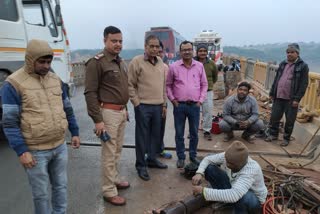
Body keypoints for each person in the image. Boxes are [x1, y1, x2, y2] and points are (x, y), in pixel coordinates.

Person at [1, 39, 80, 214]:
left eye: (49, 61)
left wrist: (74, 132)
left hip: (60, 146)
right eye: (41, 62)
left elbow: (67, 108)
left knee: (61, 187)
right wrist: (22, 151)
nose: (46, 66)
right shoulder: (13, 84)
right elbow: (9, 122)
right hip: (35, 151)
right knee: (41, 194)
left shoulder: (55, 79)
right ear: (30, 60)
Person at [84, 26, 129, 206]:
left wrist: (125, 110)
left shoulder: (119, 62)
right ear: (105, 41)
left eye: (120, 41)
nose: (118, 44)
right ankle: (109, 190)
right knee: (109, 153)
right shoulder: (97, 62)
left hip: (120, 111)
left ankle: (115, 179)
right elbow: (90, 93)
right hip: (108, 114)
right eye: (114, 41)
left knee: (117, 150)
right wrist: (98, 121)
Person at [128, 35, 168, 181]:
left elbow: (163, 85)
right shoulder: (136, 62)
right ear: (145, 47)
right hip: (143, 106)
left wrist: (164, 104)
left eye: (157, 47)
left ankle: (152, 159)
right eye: (151, 46)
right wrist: (136, 103)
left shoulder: (160, 62)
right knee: (142, 137)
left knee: (155, 136)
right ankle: (141, 165)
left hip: (158, 106)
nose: (154, 49)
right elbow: (130, 84)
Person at [192, 141, 267, 214]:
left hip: (253, 201)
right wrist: (199, 173)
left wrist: (204, 191)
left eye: (231, 164)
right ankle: (227, 201)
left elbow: (235, 195)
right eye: (227, 161)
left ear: (241, 164)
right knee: (209, 168)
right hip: (234, 188)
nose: (227, 164)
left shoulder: (251, 169)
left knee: (245, 197)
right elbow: (208, 159)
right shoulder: (228, 156)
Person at [166, 41, 208, 169]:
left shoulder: (199, 66)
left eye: (189, 49)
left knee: (194, 132)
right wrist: (173, 100)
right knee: (179, 133)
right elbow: (168, 85)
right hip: (180, 106)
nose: (187, 52)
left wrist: (200, 100)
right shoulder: (174, 67)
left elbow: (204, 84)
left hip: (195, 106)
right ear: (180, 52)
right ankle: (181, 157)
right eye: (184, 50)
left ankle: (193, 155)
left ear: (193, 51)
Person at [265, 43, 309, 146]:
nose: (289, 54)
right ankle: (273, 135)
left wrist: (297, 99)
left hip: (291, 98)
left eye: (292, 52)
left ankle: (286, 138)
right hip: (278, 96)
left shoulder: (303, 66)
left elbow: (303, 84)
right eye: (288, 52)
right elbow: (277, 79)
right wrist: (272, 93)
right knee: (274, 117)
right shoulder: (283, 64)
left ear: (297, 53)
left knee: (289, 121)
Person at [194, 44, 218, 141]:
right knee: (194, 112)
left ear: (207, 52)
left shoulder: (212, 63)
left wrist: (208, 85)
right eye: (200, 51)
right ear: (197, 52)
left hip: (207, 91)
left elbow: (214, 77)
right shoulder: (192, 62)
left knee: (207, 111)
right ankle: (193, 130)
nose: (202, 53)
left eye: (204, 51)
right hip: (194, 92)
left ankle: (207, 130)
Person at [157, 40, 172, 159]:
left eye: (160, 51)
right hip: (146, 104)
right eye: (156, 49)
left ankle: (160, 150)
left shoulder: (166, 67)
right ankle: (148, 152)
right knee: (148, 130)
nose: (158, 53)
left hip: (162, 103)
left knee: (160, 128)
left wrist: (165, 105)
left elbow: (167, 87)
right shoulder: (143, 64)